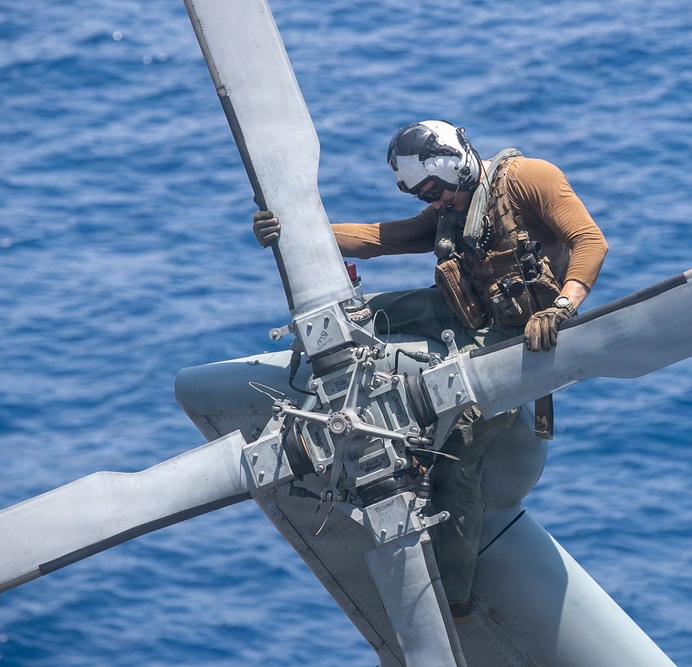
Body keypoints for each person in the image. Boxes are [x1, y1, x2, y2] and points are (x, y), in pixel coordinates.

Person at [253, 120, 607, 622]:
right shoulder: (451, 211)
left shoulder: (530, 178)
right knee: (355, 320)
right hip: (463, 310)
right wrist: (291, 233)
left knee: (458, 453)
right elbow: (378, 239)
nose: (434, 202)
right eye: (422, 194)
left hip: (520, 333)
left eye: (436, 190)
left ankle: (455, 601)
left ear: (459, 167)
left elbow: (590, 241)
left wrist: (561, 309)